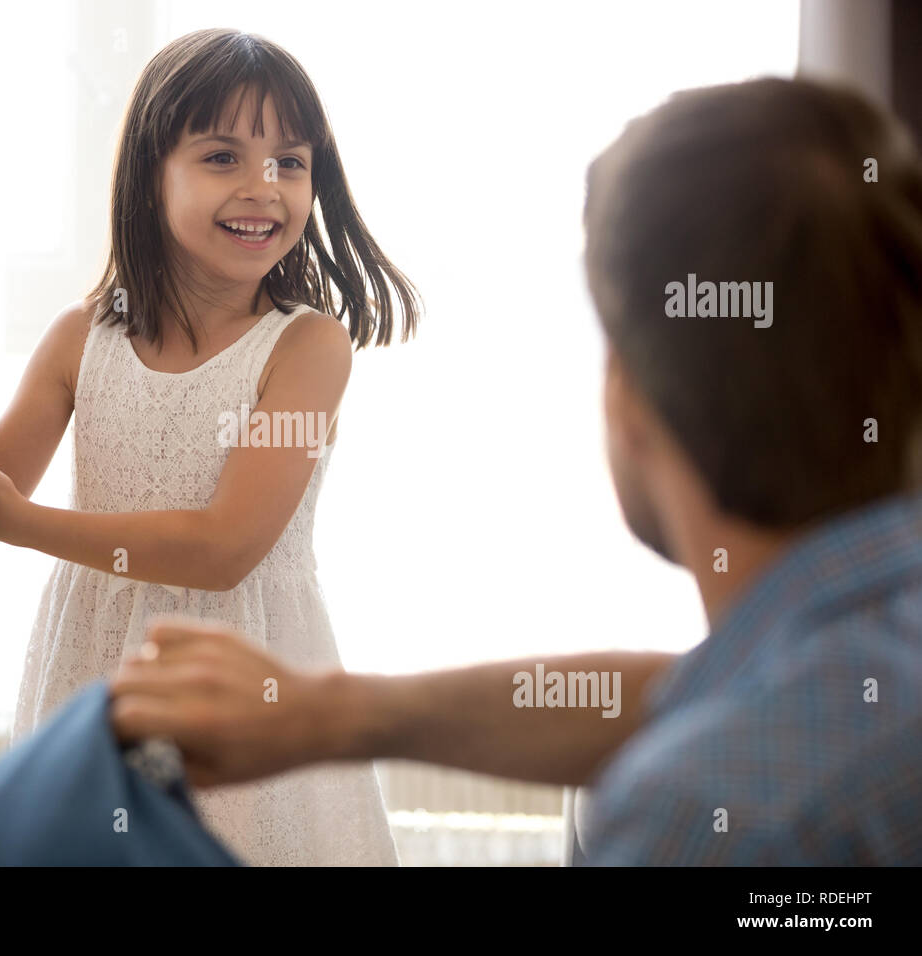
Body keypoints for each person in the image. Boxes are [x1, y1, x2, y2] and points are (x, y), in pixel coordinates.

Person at [110, 75, 922, 865]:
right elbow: (707, 691)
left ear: (627, 398)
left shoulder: (710, 814)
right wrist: (337, 713)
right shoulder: (857, 657)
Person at [0, 28, 420, 865]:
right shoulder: (79, 338)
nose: (264, 187)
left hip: (244, 677)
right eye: (223, 156)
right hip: (89, 678)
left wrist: (16, 518)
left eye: (290, 162)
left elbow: (224, 548)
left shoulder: (307, 347)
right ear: (149, 173)